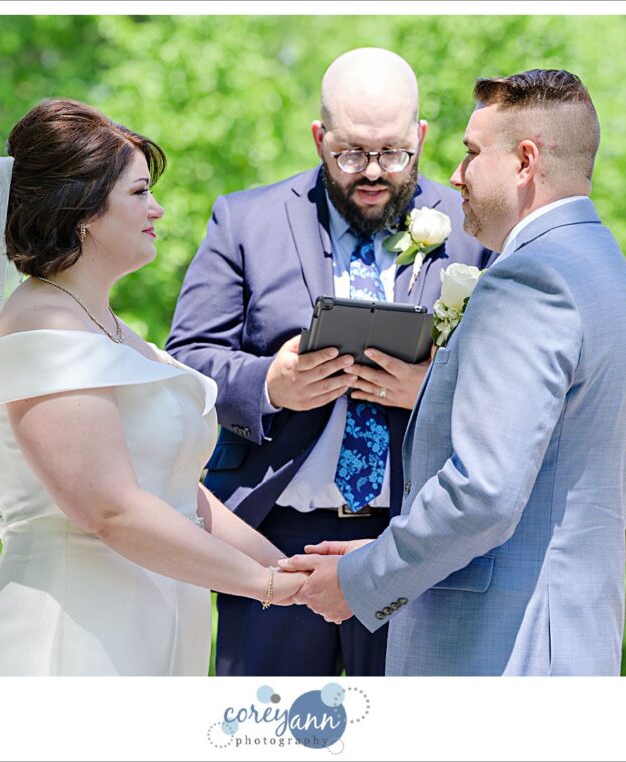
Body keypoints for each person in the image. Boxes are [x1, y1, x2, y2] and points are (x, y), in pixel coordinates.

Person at [0, 98, 308, 675]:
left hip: (152, 631)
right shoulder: (42, 329)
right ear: (85, 211)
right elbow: (110, 509)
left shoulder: (112, 330)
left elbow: (177, 493)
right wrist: (266, 587)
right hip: (68, 637)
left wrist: (292, 571)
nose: (158, 209)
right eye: (139, 192)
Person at [282, 69, 626, 676]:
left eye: (472, 153)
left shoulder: (531, 278)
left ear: (525, 161)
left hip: (502, 649)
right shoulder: (599, 263)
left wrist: (362, 579)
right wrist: (389, 550)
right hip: (564, 636)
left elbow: (483, 492)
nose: (456, 175)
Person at [165, 48, 491, 676]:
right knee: (269, 724)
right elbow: (186, 362)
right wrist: (270, 384)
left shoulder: (475, 229)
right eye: (350, 154)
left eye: (393, 154)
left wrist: (433, 390)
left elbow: (508, 378)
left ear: (422, 137)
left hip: (413, 542)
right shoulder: (245, 220)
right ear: (319, 138)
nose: (372, 173)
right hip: (271, 540)